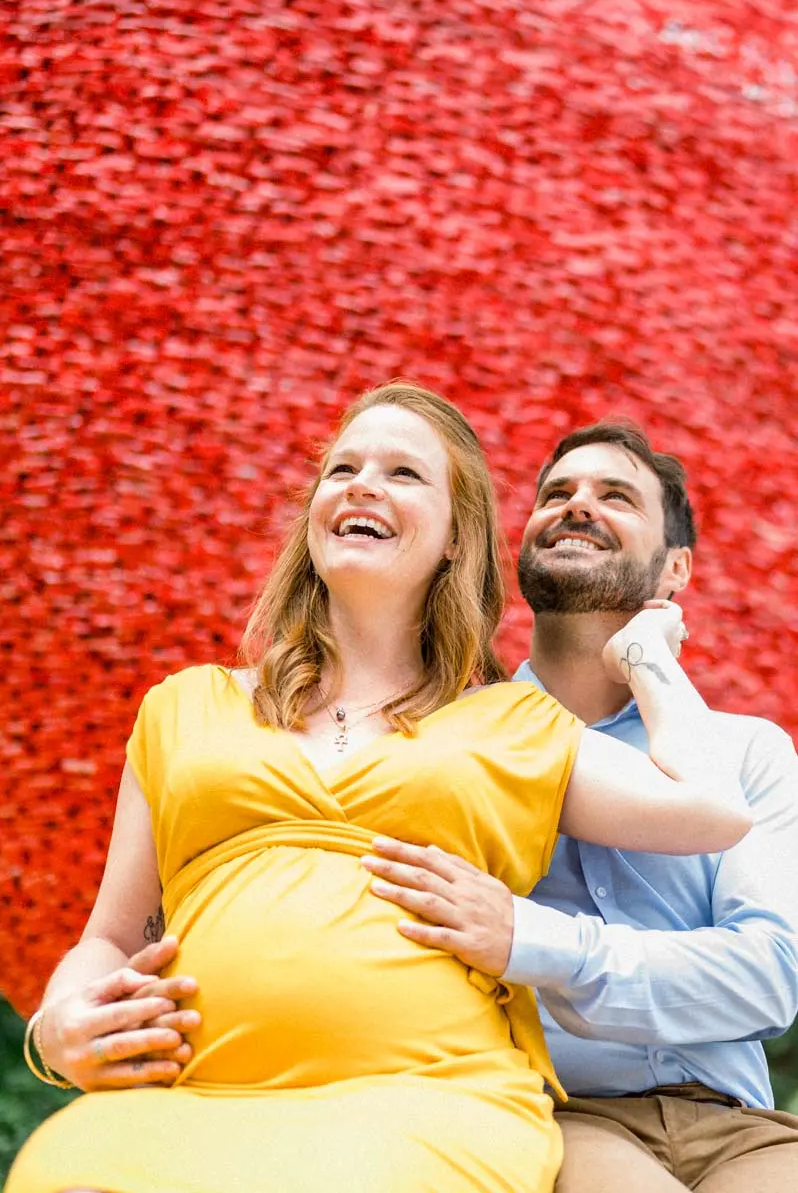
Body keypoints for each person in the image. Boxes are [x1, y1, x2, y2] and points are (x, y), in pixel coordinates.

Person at [8, 388, 752, 1193]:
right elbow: (110, 937)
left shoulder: (511, 723)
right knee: (62, 1169)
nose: (363, 485)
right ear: (314, 518)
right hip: (191, 1095)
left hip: (424, 1099)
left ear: (453, 541)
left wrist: (646, 652)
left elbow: (715, 810)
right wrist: (59, 1027)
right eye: (343, 469)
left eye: (403, 473)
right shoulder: (184, 706)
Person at [363, 420, 798, 1193]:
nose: (577, 504)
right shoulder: (447, 740)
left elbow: (768, 977)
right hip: (552, 1111)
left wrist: (531, 939)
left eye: (615, 495)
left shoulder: (747, 754)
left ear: (675, 571)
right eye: (557, 493)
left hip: (745, 1127)